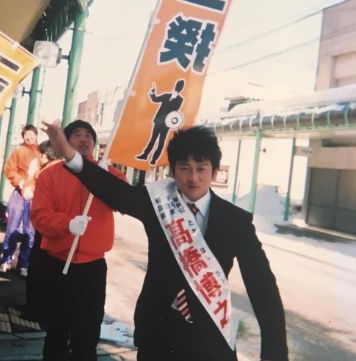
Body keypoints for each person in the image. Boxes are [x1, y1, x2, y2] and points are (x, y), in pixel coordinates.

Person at [43, 123, 289, 361]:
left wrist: (274, 352)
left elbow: (262, 285)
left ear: (214, 172)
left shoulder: (236, 221)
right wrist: (69, 154)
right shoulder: (158, 201)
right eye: (184, 168)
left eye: (202, 168)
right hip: (158, 334)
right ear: (172, 171)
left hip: (211, 339)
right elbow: (114, 191)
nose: (193, 178)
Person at [30, 120, 127, 361]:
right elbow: (39, 216)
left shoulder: (107, 174)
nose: (84, 139)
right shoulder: (50, 175)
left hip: (92, 269)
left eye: (89, 136)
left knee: (87, 337)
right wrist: (67, 224)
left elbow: (125, 200)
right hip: (56, 265)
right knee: (56, 334)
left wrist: (107, 176)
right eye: (76, 135)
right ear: (65, 141)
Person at [24, 140, 60, 321]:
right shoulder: (60, 169)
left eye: (41, 154)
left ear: (47, 155)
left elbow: (30, 191)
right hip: (53, 226)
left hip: (44, 223)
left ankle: (34, 309)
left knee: (38, 267)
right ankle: (40, 308)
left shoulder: (47, 171)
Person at [0, 124, 41, 275]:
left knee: (30, 231)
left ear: (36, 135)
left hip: (35, 196)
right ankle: (5, 259)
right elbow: (8, 169)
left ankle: (24, 262)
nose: (28, 137)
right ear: (23, 137)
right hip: (19, 193)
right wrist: (21, 182)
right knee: (13, 227)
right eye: (26, 135)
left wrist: (34, 187)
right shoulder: (18, 151)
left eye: (31, 134)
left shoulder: (41, 153)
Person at [136, 79, 185, 166]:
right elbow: (155, 99)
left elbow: (174, 111)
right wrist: (153, 93)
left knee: (161, 142)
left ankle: (154, 159)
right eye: (178, 85)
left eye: (180, 86)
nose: (178, 87)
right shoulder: (167, 95)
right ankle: (145, 155)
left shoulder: (180, 100)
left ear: (181, 88)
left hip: (167, 124)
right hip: (158, 121)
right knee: (153, 139)